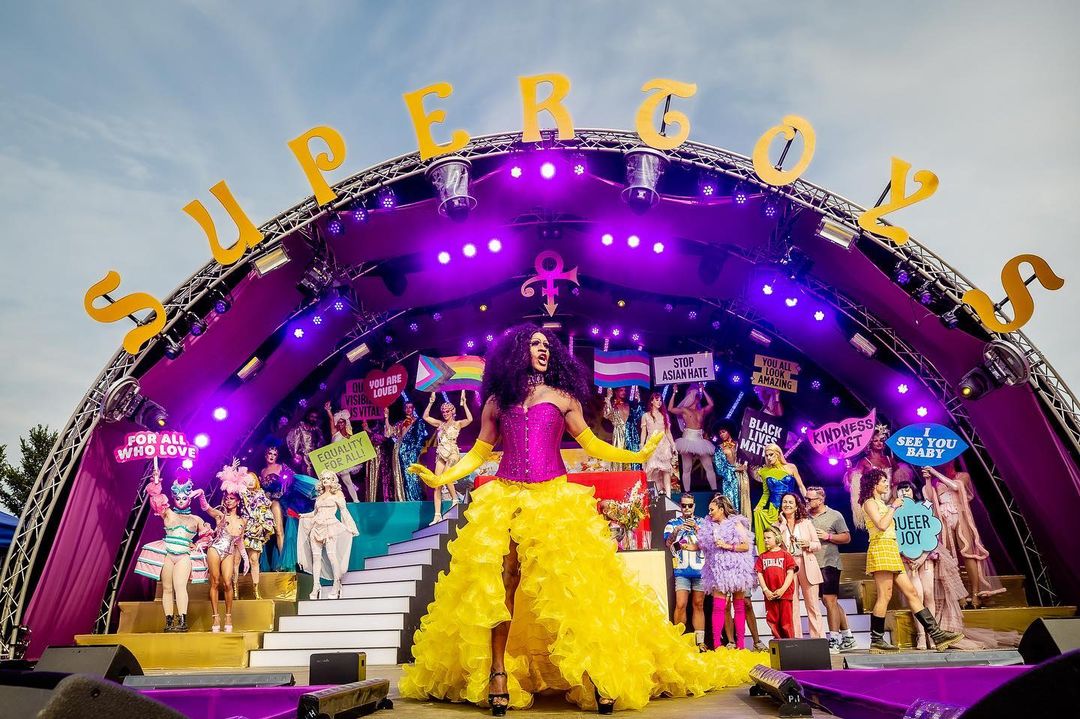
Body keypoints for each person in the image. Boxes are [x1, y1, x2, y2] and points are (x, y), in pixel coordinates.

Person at [399, 324, 760, 715]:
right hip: (505, 498)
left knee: (575, 587)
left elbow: (593, 444)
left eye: (546, 345)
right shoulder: (497, 401)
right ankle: (497, 672)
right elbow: (478, 453)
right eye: (535, 344)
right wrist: (442, 478)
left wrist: (636, 457)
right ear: (517, 351)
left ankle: (598, 671)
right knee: (502, 582)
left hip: (554, 498)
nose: (543, 349)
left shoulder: (563, 397)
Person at [855, 468, 964, 652]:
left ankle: (936, 635)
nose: (886, 484)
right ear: (874, 483)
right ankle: (877, 640)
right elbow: (881, 525)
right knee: (885, 595)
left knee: (912, 593)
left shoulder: (881, 503)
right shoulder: (869, 502)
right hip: (880, 549)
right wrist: (893, 507)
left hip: (891, 549)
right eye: (883, 481)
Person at [133, 468, 211, 632]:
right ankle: (169, 621)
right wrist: (155, 483)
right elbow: (156, 500)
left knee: (180, 586)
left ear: (189, 498)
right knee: (167, 588)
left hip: (183, 555)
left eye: (184, 498)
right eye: (177, 498)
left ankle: (182, 620)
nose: (181, 501)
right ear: (173, 498)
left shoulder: (196, 519)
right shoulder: (167, 513)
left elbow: (207, 536)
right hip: (168, 553)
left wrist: (198, 544)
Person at [921, 461, 999, 607]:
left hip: (960, 515)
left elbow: (957, 487)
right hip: (944, 517)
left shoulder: (962, 475)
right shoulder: (935, 481)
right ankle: (959, 595)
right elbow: (930, 498)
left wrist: (935, 472)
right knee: (949, 557)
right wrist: (928, 479)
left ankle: (975, 593)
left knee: (968, 553)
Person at [698, 495, 755, 650]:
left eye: (712, 510)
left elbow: (746, 546)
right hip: (718, 570)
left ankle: (741, 645)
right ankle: (717, 645)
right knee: (718, 607)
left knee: (739, 606)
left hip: (737, 568)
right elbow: (702, 545)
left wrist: (727, 546)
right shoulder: (709, 527)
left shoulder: (736, 523)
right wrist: (685, 546)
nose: (709, 513)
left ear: (721, 509)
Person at [199, 463, 250, 633]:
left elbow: (239, 541)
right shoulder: (220, 514)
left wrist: (245, 558)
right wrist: (201, 494)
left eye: (232, 498)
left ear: (238, 501)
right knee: (215, 581)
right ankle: (216, 617)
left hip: (229, 551)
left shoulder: (242, 520)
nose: (228, 501)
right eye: (227, 498)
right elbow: (206, 508)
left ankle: (228, 615)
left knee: (228, 582)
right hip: (215, 548)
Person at [805, 486, 855, 653]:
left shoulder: (834, 515)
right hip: (812, 564)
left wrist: (828, 536)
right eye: (806, 498)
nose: (807, 501)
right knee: (828, 601)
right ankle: (848, 637)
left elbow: (847, 537)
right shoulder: (804, 517)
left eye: (810, 499)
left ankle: (834, 639)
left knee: (829, 600)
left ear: (820, 500)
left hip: (829, 563)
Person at [297, 471, 359, 599]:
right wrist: (303, 516)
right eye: (323, 478)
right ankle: (316, 586)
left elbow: (344, 511)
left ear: (332, 480)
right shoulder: (319, 496)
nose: (325, 480)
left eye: (328, 478)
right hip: (316, 528)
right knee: (316, 559)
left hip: (330, 527)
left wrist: (350, 526)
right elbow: (315, 513)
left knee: (332, 557)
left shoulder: (338, 494)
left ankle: (336, 584)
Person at [773, 493, 825, 639]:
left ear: (796, 506)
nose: (787, 505)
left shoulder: (806, 523)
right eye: (784, 502)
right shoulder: (777, 526)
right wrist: (783, 524)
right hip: (788, 567)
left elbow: (818, 545)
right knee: (792, 605)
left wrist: (809, 544)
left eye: (791, 502)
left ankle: (818, 639)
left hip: (806, 563)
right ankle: (796, 639)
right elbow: (775, 545)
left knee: (813, 605)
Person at [664, 493, 708, 651]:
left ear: (694, 506)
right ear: (680, 506)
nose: (687, 508)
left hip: (700, 570)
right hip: (681, 570)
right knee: (680, 604)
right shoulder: (672, 523)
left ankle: (700, 642)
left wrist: (697, 529)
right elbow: (668, 544)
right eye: (684, 505)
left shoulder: (702, 523)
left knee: (699, 604)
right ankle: (679, 641)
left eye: (690, 505)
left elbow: (708, 544)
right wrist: (677, 531)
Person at [423, 391, 474, 523]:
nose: (445, 413)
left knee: (446, 476)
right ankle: (437, 515)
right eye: (443, 412)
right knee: (437, 483)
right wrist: (431, 402)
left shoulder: (457, 424)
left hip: (452, 453)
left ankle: (455, 499)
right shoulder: (440, 424)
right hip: (441, 454)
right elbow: (425, 417)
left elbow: (470, 419)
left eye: (447, 411)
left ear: (452, 412)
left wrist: (464, 403)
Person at [752, 443, 807, 552]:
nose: (769, 457)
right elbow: (766, 493)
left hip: (789, 507)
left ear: (778, 454)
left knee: (791, 536)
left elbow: (801, 486)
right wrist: (759, 506)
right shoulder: (764, 471)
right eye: (766, 455)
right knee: (775, 538)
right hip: (774, 509)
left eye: (771, 454)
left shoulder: (791, 467)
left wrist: (807, 501)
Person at [668, 384, 718, 491]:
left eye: (697, 394)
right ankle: (687, 492)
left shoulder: (701, 411)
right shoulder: (685, 410)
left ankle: (715, 490)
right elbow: (670, 409)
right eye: (693, 394)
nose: (696, 396)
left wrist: (703, 390)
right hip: (687, 439)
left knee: (709, 466)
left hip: (699, 440)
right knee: (687, 468)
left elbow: (711, 404)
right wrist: (674, 393)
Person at [755, 526, 797, 640]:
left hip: (785, 594)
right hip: (770, 595)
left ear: (777, 538)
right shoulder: (762, 557)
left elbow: (790, 573)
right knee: (772, 619)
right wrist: (766, 590)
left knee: (786, 621)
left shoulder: (786, 555)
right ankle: (778, 641)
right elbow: (759, 574)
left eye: (769, 538)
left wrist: (782, 589)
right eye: (764, 538)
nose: (766, 540)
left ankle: (789, 643)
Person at [240, 471, 275, 599]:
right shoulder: (240, 494)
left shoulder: (261, 496)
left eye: (252, 479)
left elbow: (268, 513)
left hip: (255, 530)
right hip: (240, 529)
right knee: (236, 560)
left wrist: (263, 526)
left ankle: (256, 591)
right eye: (247, 479)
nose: (250, 482)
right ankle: (234, 590)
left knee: (254, 560)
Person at [387, 398, 429, 502]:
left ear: (413, 409)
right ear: (404, 409)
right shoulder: (401, 423)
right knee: (405, 475)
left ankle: (416, 498)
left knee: (413, 474)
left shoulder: (418, 421)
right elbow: (389, 433)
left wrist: (416, 450)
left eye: (410, 407)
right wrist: (386, 417)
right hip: (402, 451)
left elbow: (421, 437)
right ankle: (407, 498)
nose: (408, 409)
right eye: (406, 408)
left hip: (413, 451)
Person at [259, 445, 295, 562]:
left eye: (274, 454)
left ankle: (283, 561)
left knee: (279, 531)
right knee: (268, 534)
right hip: (266, 503)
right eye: (270, 453)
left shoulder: (280, 467)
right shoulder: (263, 471)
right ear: (265, 455)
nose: (272, 456)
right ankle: (277, 560)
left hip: (278, 501)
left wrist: (280, 492)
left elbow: (291, 479)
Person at [639, 391, 676, 497]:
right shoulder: (645, 416)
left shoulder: (664, 416)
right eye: (657, 400)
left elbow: (668, 432)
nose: (659, 402)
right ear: (652, 401)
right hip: (652, 444)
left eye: (660, 400)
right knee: (651, 469)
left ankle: (668, 496)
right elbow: (644, 432)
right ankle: (651, 495)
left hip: (664, 445)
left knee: (666, 470)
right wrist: (642, 445)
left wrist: (673, 445)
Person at [325, 401, 362, 503]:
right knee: (331, 484)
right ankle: (333, 502)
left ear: (345, 423)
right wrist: (328, 410)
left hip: (343, 462)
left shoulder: (348, 433)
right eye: (339, 422)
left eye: (343, 422)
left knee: (348, 482)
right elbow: (331, 420)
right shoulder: (334, 432)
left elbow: (352, 444)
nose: (341, 424)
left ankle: (356, 500)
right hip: (333, 462)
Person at [713, 428, 749, 517]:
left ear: (729, 431)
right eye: (720, 433)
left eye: (723, 432)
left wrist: (745, 465)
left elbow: (748, 455)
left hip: (742, 477)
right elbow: (719, 468)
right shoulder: (719, 448)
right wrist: (735, 469)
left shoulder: (740, 443)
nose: (721, 434)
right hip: (729, 479)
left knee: (744, 500)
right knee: (730, 501)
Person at [287, 409, 325, 476]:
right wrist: (295, 453)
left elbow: (321, 440)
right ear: (307, 416)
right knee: (308, 472)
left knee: (317, 473)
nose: (313, 419)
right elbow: (294, 439)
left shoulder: (316, 429)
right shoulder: (300, 427)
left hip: (314, 455)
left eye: (315, 417)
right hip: (304, 455)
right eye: (312, 416)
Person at [603, 387, 632, 471]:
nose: (624, 392)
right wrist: (608, 398)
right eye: (621, 390)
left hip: (629, 433)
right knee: (619, 457)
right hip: (618, 434)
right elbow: (606, 415)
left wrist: (638, 400)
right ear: (615, 392)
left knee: (629, 456)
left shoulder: (627, 405)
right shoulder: (612, 406)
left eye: (625, 390)